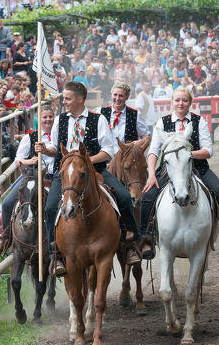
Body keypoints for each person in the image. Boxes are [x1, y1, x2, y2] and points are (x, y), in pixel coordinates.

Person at [35, 81, 141, 277]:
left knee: (125, 197)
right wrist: (45, 150)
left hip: (95, 170)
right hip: (66, 175)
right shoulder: (60, 120)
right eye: (64, 98)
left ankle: (132, 242)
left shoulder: (98, 119)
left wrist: (84, 162)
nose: (64, 102)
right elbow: (54, 149)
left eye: (67, 98)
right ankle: (55, 253)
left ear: (79, 99)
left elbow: (107, 151)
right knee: (49, 208)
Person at [140, 87, 219, 259]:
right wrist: (152, 174)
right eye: (177, 100)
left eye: (184, 100)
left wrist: (186, 155)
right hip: (168, 170)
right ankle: (146, 238)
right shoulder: (162, 122)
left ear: (190, 102)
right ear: (172, 102)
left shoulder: (199, 121)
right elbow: (153, 151)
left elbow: (208, 151)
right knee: (147, 196)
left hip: (198, 168)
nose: (180, 103)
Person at [0, 104, 55, 253]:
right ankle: (6, 236)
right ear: (38, 119)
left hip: (54, 176)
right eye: (44, 117)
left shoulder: (60, 135)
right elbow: (18, 160)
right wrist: (29, 161)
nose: (48, 120)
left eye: (50, 117)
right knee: (7, 204)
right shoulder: (30, 137)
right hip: (32, 176)